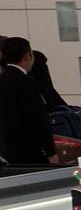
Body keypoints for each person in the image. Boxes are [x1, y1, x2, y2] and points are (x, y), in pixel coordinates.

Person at [0, 36, 57, 165]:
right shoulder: (26, 82)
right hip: (28, 151)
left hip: (6, 150)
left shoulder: (2, 79)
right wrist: (50, 151)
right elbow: (36, 120)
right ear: (28, 55)